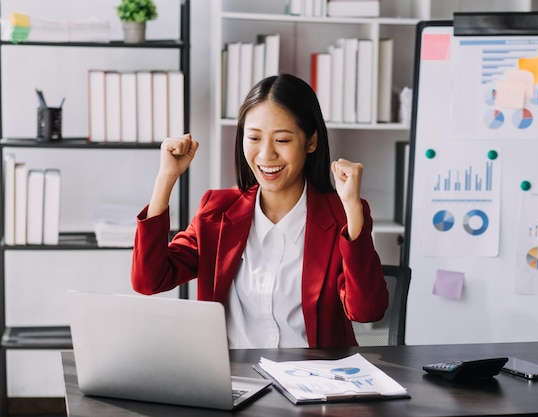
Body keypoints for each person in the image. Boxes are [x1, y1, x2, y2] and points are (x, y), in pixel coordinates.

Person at [131, 73, 388, 349]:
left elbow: (367, 311)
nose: (266, 155)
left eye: (282, 140)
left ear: (311, 141)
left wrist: (351, 208)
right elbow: (149, 280)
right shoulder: (216, 211)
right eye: (253, 138)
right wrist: (166, 178)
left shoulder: (341, 215)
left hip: (313, 381)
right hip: (232, 382)